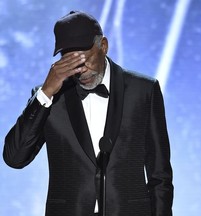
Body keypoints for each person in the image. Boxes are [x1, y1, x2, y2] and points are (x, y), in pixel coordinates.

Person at [3, 11, 173, 216]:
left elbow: (160, 176)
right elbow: (15, 158)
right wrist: (46, 93)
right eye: (70, 62)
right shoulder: (49, 98)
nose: (80, 70)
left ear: (104, 46)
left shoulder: (143, 90)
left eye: (84, 60)